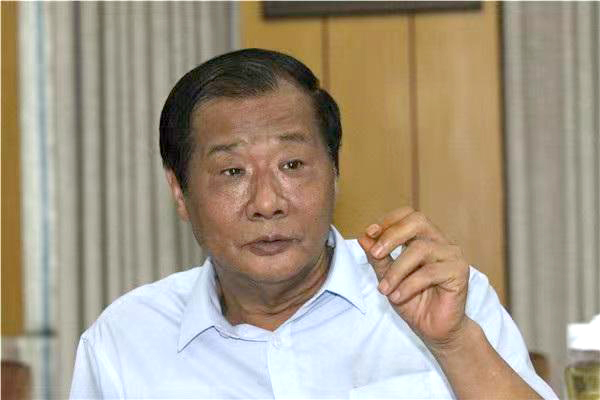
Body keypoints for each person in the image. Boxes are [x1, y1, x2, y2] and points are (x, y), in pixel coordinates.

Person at [70, 48, 556, 399]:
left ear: (335, 172)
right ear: (180, 192)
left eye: (293, 165)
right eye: (233, 172)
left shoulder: (435, 295)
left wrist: (454, 343)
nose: (267, 203)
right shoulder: (125, 340)